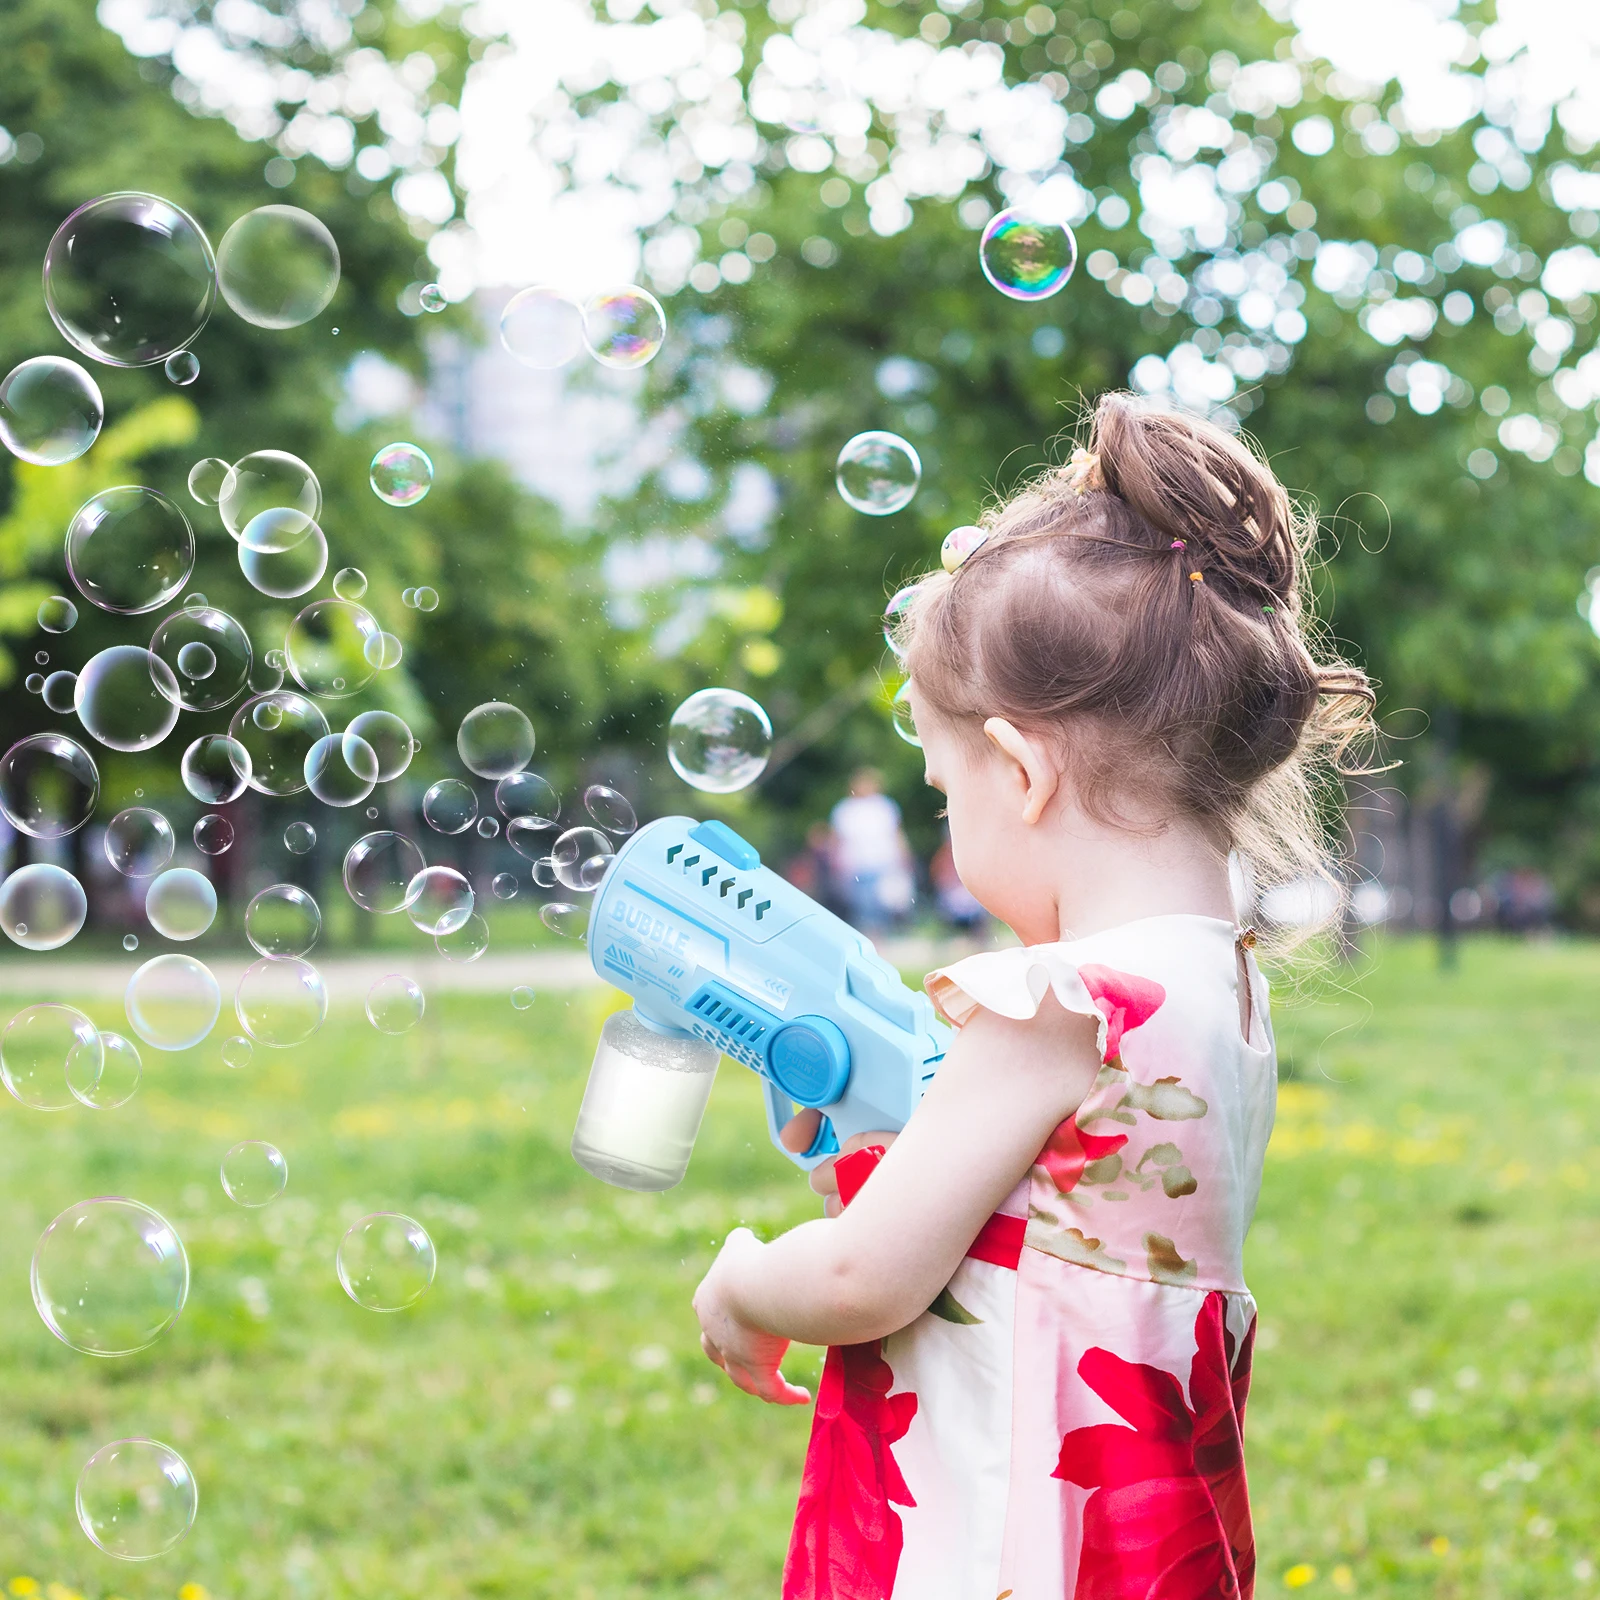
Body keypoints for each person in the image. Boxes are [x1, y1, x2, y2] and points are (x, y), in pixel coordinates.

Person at [690, 392, 1375, 1599]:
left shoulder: (1054, 1000)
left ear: (1019, 770)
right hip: (1137, 1529)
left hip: (1003, 1532)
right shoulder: (1216, 984)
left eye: (946, 792)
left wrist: (743, 1280)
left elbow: (865, 1276)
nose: (948, 824)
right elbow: (1031, 1210)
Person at [829, 767, 915, 934]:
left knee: (885, 903)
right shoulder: (846, 809)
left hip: (884, 862)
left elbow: (896, 834)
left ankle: (881, 935)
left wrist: (904, 856)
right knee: (864, 905)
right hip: (858, 864)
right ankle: (871, 934)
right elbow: (837, 840)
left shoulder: (885, 806)